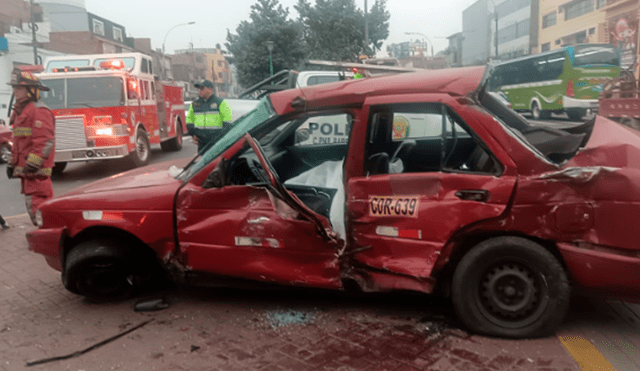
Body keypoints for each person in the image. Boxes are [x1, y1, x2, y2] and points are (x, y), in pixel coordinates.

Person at [6, 68, 56, 226]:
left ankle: (49, 241)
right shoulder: (21, 112)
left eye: (19, 88)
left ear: (31, 90)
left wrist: (32, 164)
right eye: (14, 87)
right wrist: (10, 162)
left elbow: (43, 142)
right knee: (35, 210)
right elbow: (18, 141)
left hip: (37, 173)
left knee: (40, 211)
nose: (15, 91)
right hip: (28, 174)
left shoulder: (39, 111)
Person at [185, 80, 232, 153]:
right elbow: (189, 121)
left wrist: (218, 138)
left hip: (217, 143)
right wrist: (193, 134)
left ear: (210, 89)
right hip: (201, 143)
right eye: (199, 89)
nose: (200, 91)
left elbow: (227, 123)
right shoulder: (195, 104)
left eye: (202, 89)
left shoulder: (221, 103)